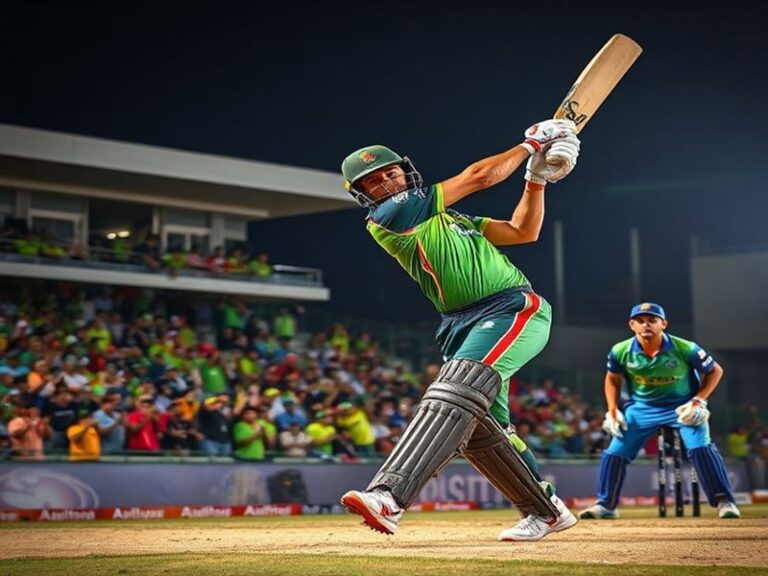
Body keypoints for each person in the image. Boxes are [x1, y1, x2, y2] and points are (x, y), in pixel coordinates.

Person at [338, 119, 581, 540]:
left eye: (391, 171)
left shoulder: (454, 219)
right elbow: (481, 176)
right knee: (480, 429)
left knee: (455, 394)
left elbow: (524, 231)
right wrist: (531, 145)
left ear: (405, 170)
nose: (386, 181)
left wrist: (535, 180)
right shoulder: (391, 215)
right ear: (364, 195)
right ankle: (545, 510)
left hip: (509, 308)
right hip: (460, 324)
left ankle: (388, 496)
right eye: (373, 180)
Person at [578, 302, 741, 520]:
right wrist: (612, 410)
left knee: (701, 449)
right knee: (614, 453)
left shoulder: (686, 348)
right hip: (642, 408)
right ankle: (606, 505)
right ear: (632, 325)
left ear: (663, 324)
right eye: (641, 321)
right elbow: (612, 379)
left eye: (652, 320)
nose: (647, 325)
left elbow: (715, 370)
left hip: (683, 407)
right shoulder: (620, 351)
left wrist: (699, 400)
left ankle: (725, 501)